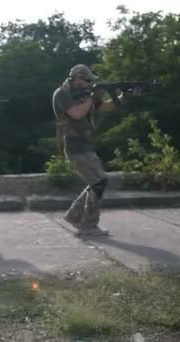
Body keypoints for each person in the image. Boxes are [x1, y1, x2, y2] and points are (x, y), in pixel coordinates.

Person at [52, 64, 134, 236]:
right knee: (99, 181)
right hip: (74, 145)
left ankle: (75, 216)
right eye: (87, 80)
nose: (90, 83)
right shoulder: (62, 94)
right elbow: (76, 114)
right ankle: (87, 225)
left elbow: (107, 107)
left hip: (86, 144)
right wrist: (92, 96)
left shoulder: (86, 95)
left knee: (98, 181)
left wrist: (123, 95)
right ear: (77, 78)